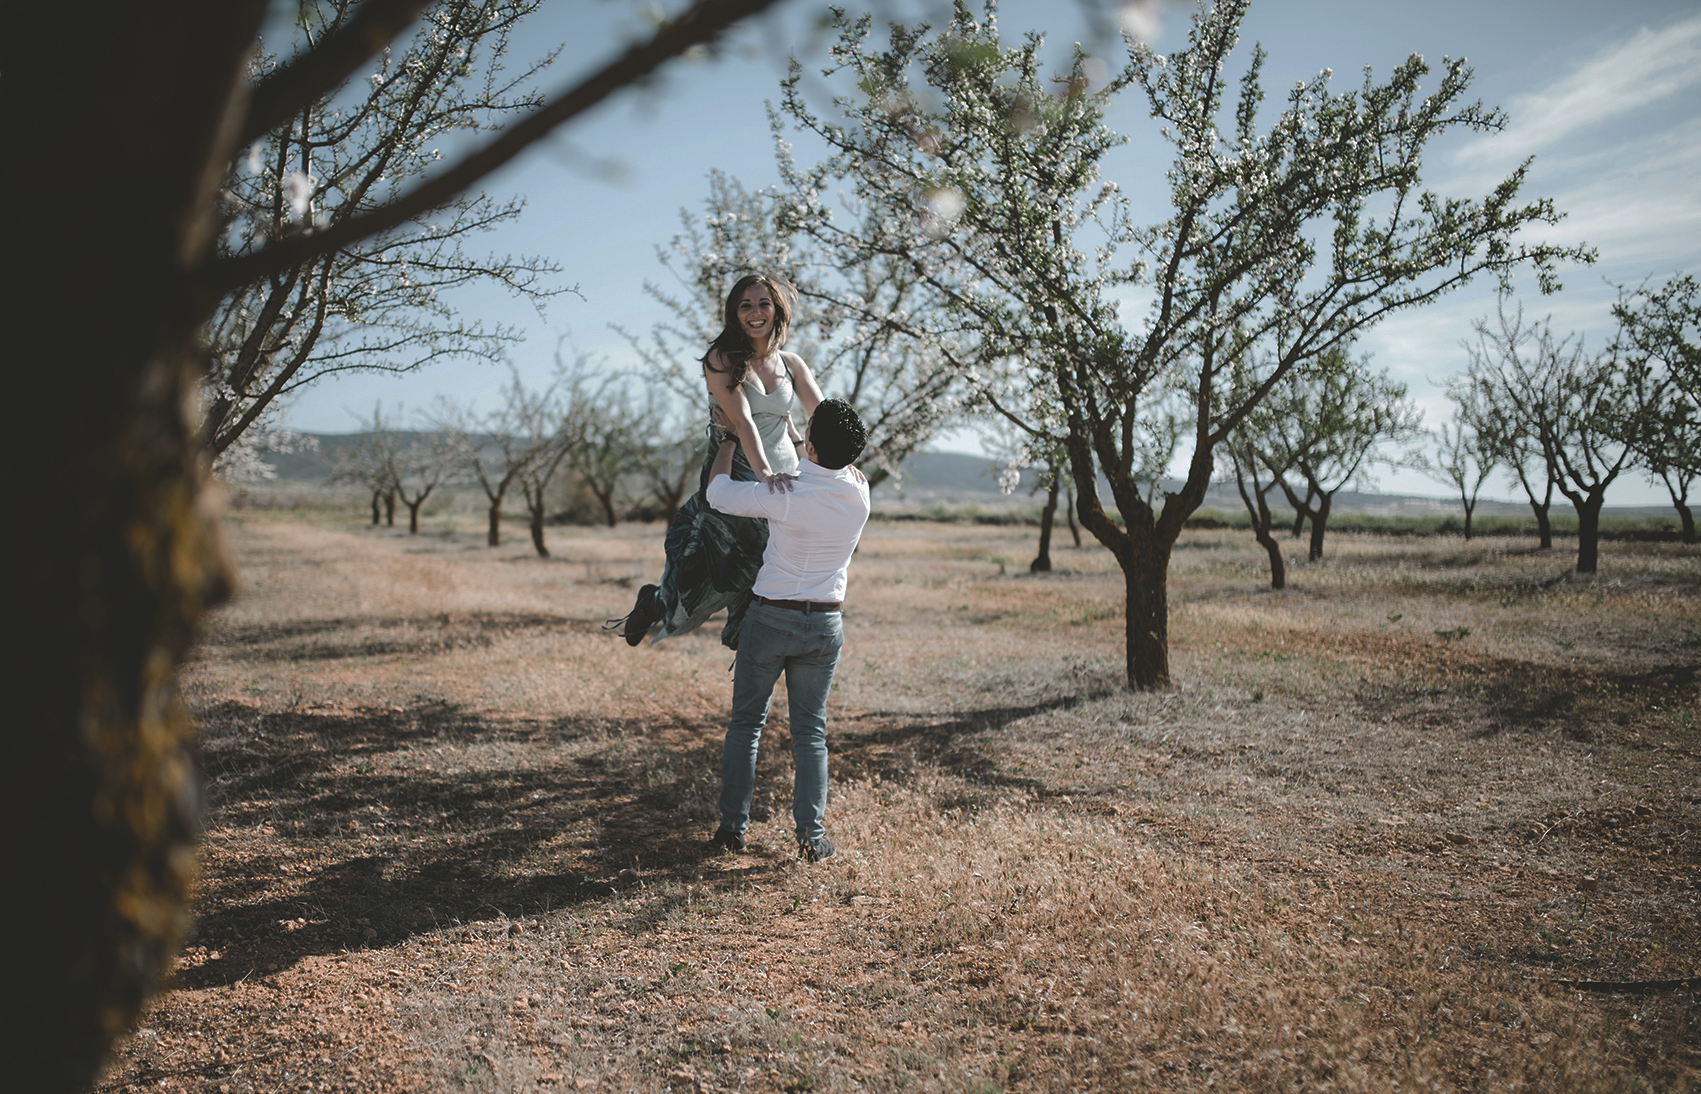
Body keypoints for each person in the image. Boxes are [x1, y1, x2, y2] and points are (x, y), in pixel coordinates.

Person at [611, 273, 825, 649]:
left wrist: (838, 463)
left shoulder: (792, 364)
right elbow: (742, 422)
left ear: (777, 310)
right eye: (746, 305)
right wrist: (765, 476)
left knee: (768, 565)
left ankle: (749, 648)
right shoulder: (721, 359)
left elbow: (822, 416)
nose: (755, 312)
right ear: (734, 313)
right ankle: (658, 602)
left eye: (763, 304)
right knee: (716, 565)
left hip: (784, 477)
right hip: (738, 471)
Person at [702, 398, 870, 862]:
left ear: (811, 446)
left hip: (771, 618)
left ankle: (732, 829)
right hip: (825, 625)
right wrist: (800, 432)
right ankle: (811, 839)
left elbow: (716, 493)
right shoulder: (860, 491)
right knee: (811, 733)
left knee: (746, 724)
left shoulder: (782, 494)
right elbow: (824, 461)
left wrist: (730, 437)